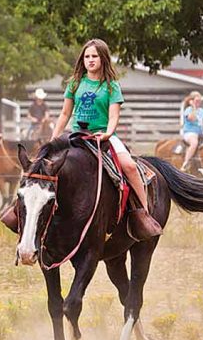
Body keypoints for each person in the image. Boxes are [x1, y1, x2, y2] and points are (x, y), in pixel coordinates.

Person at [51, 38, 162, 239]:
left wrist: (109, 133)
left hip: (103, 134)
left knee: (128, 165)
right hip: (77, 135)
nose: (90, 60)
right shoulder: (75, 83)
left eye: (94, 56)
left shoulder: (111, 86)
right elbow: (65, 114)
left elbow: (114, 115)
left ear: (103, 59)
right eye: (87, 56)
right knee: (44, 165)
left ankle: (143, 214)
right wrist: (54, 137)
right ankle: (23, 214)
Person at [180, 91, 203, 171]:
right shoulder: (188, 110)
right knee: (194, 143)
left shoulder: (202, 111)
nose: (199, 103)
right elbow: (191, 118)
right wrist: (193, 107)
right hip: (190, 132)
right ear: (192, 101)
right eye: (197, 101)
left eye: (199, 101)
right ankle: (186, 163)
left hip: (200, 132)